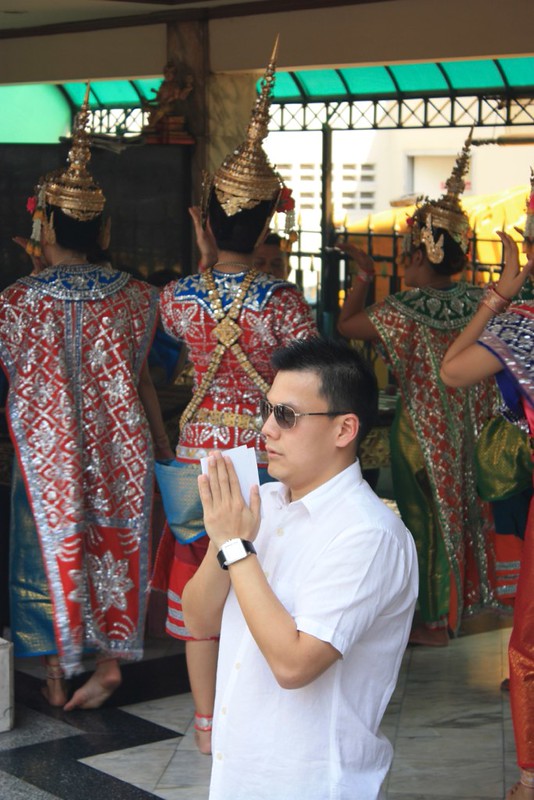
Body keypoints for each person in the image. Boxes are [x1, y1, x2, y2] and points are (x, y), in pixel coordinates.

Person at [151, 41, 317, 755]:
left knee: (200, 578)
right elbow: (307, 369)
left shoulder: (177, 297)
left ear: (209, 221)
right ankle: (256, 710)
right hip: (261, 455)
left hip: (198, 454)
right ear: (271, 223)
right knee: (260, 579)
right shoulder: (284, 302)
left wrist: (205, 262)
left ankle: (206, 724)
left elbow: (189, 319)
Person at [181, 336, 417, 800]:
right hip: (239, 774)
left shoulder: (369, 534)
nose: (267, 430)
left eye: (286, 416)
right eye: (267, 411)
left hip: (310, 783)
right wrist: (224, 540)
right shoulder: (261, 503)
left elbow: (293, 665)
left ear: (344, 429)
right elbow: (199, 621)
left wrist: (237, 547)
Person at [0, 87, 173, 710]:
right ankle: (109, 662)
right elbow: (143, 379)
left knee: (45, 550)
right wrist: (162, 447)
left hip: (47, 454)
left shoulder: (18, 301)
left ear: (44, 226)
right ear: (102, 228)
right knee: (112, 546)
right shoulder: (137, 296)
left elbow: (15, 375)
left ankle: (53, 673)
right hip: (120, 449)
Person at [337, 132, 503, 647]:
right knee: (467, 513)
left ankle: (430, 622)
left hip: (421, 436)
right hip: (476, 431)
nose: (406, 260)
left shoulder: (404, 309)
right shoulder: (482, 300)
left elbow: (346, 326)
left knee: (421, 525)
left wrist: (364, 276)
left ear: (427, 250)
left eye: (410, 250)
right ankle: (465, 608)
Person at [441, 215, 534, 798]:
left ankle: (531, 780)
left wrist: (498, 296)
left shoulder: (525, 327)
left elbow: (452, 370)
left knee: (530, 644)